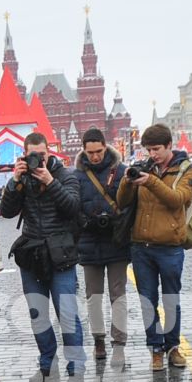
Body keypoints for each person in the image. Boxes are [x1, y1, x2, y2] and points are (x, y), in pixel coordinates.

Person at [2, 130, 87, 382]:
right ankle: (46, 364)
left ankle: (76, 369)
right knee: (37, 314)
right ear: (25, 155)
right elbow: (6, 211)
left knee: (67, 314)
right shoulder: (22, 177)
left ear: (49, 152)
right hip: (32, 255)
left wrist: (50, 181)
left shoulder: (65, 175)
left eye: (42, 155)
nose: (38, 160)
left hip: (60, 255)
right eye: (32, 156)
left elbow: (72, 206)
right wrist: (14, 182)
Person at [116, 124, 192, 371]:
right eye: (148, 149)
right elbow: (122, 202)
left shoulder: (187, 170)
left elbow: (177, 200)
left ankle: (173, 347)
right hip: (141, 247)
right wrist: (127, 182)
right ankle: (155, 348)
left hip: (169, 248)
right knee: (147, 300)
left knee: (170, 300)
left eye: (156, 149)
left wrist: (151, 182)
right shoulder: (146, 169)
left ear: (169, 146)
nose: (152, 154)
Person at [73, 128, 131, 368]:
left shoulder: (121, 171)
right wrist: (86, 220)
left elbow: (130, 204)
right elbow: (72, 208)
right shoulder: (76, 175)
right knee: (93, 298)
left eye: (99, 151)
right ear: (84, 150)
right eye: (90, 152)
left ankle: (119, 343)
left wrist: (116, 217)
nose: (95, 157)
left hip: (116, 241)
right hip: (89, 243)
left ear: (105, 147)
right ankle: (99, 340)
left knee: (118, 296)